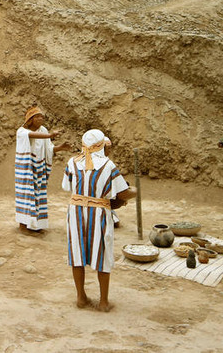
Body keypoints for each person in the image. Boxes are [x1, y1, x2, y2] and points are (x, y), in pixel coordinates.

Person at [62, 129, 136, 312]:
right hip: (99, 213)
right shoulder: (108, 165)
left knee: (77, 252)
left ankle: (81, 297)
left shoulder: (72, 162)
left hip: (76, 211)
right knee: (102, 252)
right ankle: (103, 302)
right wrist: (135, 191)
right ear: (102, 145)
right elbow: (123, 193)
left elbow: (67, 186)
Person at [14, 106, 71, 234]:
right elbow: (31, 135)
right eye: (37, 117)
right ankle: (23, 226)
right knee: (26, 195)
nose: (41, 119)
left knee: (38, 195)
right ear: (30, 120)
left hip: (39, 169)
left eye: (42, 116)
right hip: (25, 169)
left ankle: (36, 225)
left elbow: (48, 149)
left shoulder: (43, 130)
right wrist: (49, 135)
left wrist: (60, 147)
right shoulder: (21, 131)